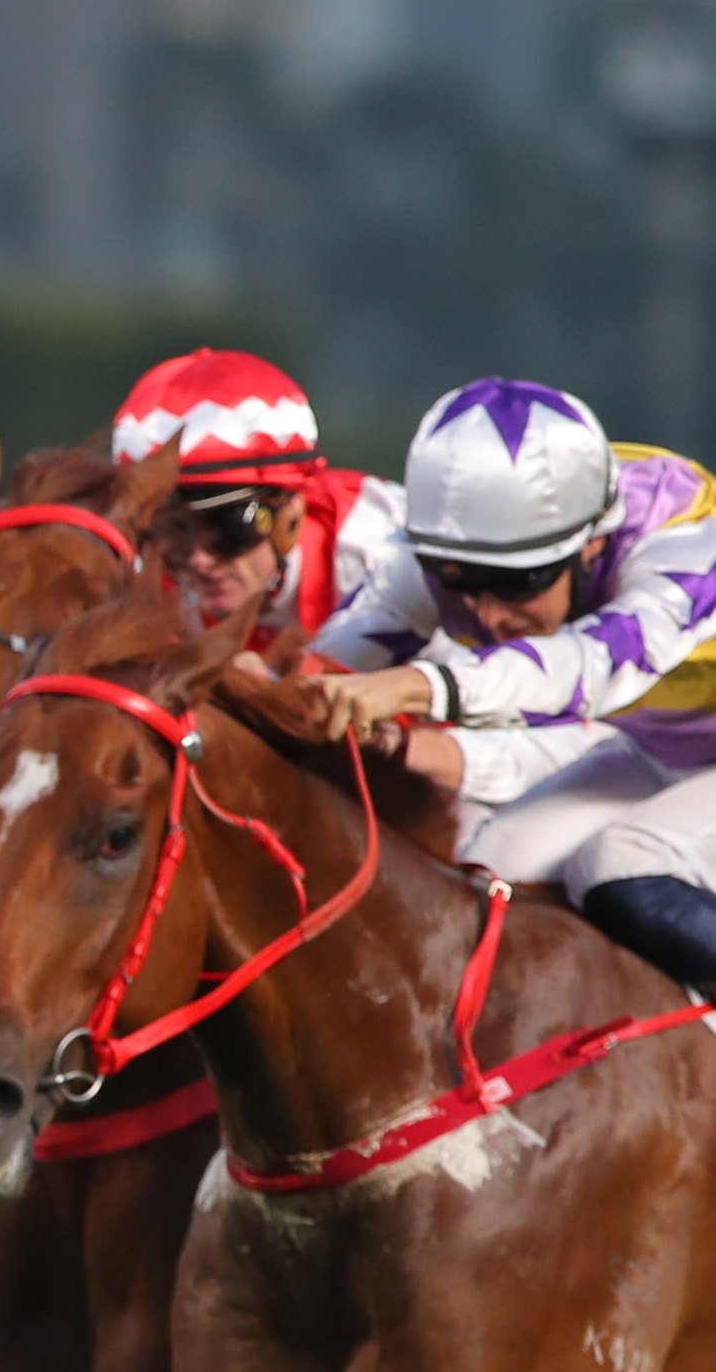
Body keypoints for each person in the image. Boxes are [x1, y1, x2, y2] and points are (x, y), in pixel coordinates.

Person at [308, 377, 716, 985]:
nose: (489, 615)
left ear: (592, 547)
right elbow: (337, 661)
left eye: (519, 584)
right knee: (487, 874)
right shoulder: (462, 543)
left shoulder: (684, 544)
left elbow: (586, 669)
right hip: (664, 752)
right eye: (457, 580)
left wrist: (412, 686)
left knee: (622, 865)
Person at [110, 348, 402, 650]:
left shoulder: (379, 549)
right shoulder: (139, 580)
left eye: (229, 528)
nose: (200, 561)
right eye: (171, 531)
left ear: (291, 515)